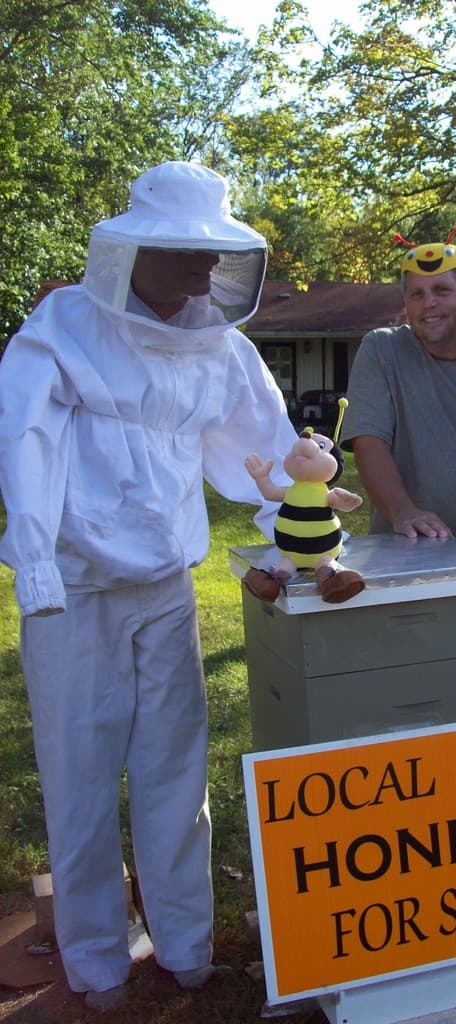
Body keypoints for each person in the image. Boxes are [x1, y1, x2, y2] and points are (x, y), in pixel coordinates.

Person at [0, 161, 298, 1009]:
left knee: (175, 770)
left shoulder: (223, 348)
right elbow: (23, 438)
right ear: (135, 250)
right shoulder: (63, 326)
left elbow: (272, 455)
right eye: (183, 249)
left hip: (167, 589)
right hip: (75, 592)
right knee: (79, 775)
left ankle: (185, 944)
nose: (203, 266)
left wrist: (307, 545)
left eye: (212, 251)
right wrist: (36, 564)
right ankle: (95, 959)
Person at [340, 224, 456, 546]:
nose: (428, 303)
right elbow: (368, 442)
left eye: (441, 291)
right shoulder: (382, 350)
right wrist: (403, 511)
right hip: (403, 551)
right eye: (416, 294)